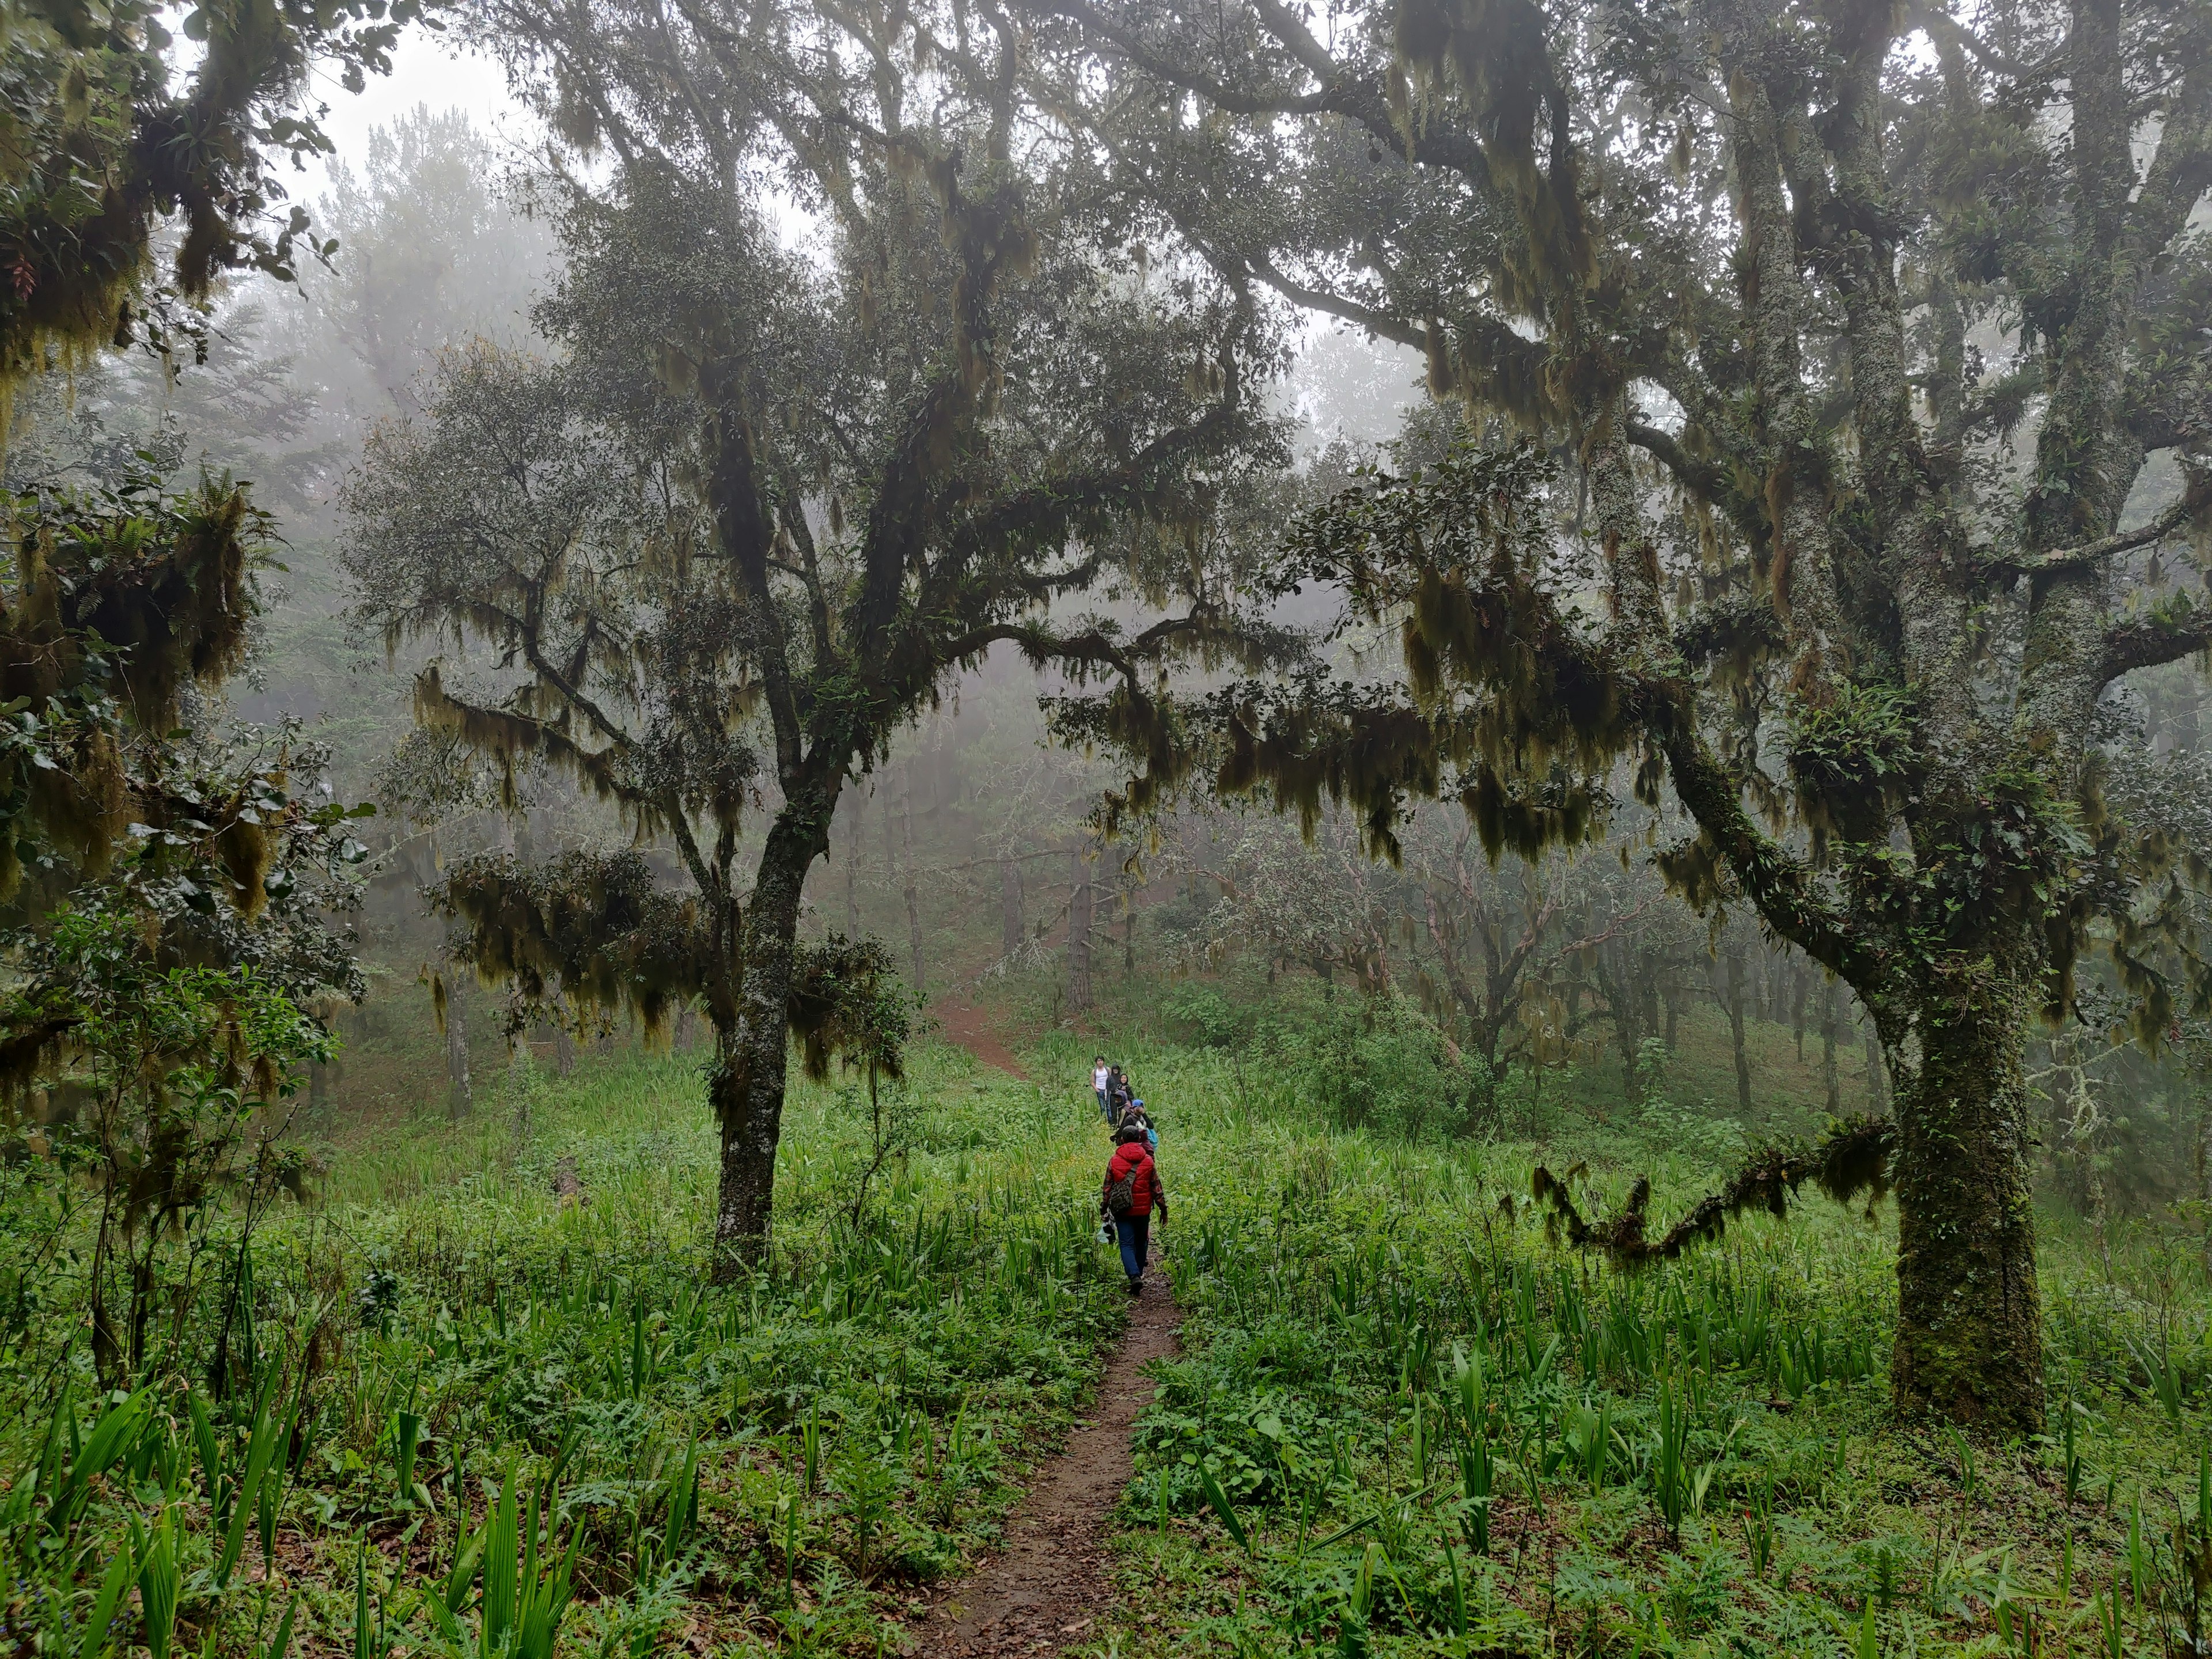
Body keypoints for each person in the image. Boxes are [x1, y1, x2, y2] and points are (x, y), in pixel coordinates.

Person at [1100, 1122, 1166, 1293]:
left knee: (1126, 1244)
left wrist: (1103, 1209)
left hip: (1122, 1211)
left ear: (1122, 1140)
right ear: (1138, 1139)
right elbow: (1156, 1188)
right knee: (1141, 1241)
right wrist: (1163, 1210)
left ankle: (1134, 1276)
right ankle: (1139, 1273)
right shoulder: (1148, 1161)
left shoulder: (1114, 1161)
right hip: (1143, 1211)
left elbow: (1107, 1188)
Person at [1092, 1054, 1112, 1120]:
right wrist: (1096, 1089)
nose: (1100, 1062)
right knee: (1102, 1107)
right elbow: (1092, 1082)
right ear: (1096, 1062)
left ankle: (1110, 1120)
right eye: (1099, 1061)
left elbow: (1111, 1078)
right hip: (1100, 1090)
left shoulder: (1108, 1069)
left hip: (1107, 1090)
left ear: (1103, 1062)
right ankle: (1103, 1119)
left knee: (1108, 1106)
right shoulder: (1094, 1071)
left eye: (1101, 1061)